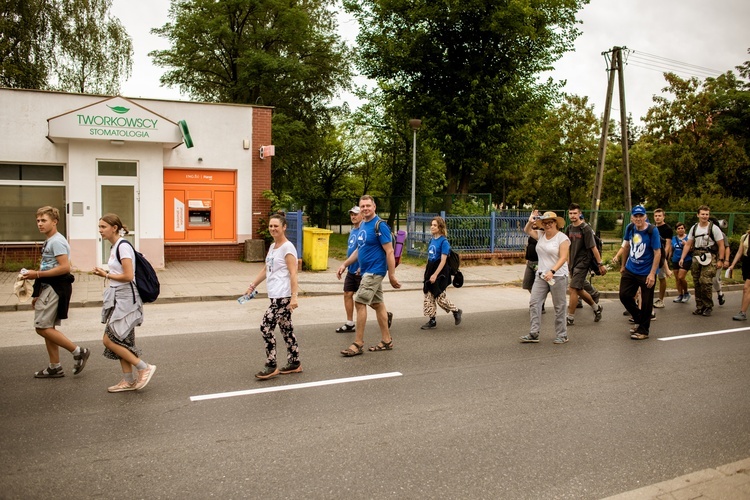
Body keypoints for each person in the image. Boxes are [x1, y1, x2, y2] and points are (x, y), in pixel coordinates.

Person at [21, 206, 90, 379]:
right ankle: (55, 366)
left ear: (55, 222)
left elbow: (65, 267)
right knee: (47, 326)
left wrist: (36, 274)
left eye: (44, 220)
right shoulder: (50, 240)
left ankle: (78, 351)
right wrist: (38, 291)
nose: (39, 224)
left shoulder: (56, 241)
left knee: (42, 327)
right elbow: (48, 265)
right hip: (48, 287)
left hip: (55, 287)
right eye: (38, 220)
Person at [92, 214, 155, 392]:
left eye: (103, 227)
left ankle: (144, 367)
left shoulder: (123, 247)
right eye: (99, 227)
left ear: (114, 228)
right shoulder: (115, 247)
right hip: (118, 297)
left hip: (126, 299)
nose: (100, 230)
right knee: (121, 340)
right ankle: (128, 380)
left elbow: (128, 276)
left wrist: (105, 275)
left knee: (109, 339)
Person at [336, 195, 401, 356]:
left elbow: (389, 251)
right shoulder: (363, 224)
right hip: (366, 271)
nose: (365, 208)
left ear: (374, 207)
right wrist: (345, 264)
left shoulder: (380, 226)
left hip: (375, 271)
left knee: (359, 302)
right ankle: (387, 340)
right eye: (362, 206)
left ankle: (358, 343)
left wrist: (392, 275)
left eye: (368, 206)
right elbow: (360, 249)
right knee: (378, 305)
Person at [244, 213, 301, 380]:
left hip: (283, 296)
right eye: (270, 226)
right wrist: (252, 286)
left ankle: (271, 364)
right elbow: (265, 269)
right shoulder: (272, 247)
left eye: (276, 226)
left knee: (265, 327)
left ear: (284, 227)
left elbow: (293, 273)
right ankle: (295, 362)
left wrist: (294, 297)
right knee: (286, 328)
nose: (273, 229)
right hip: (274, 295)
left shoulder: (287, 247)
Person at [335, 206, 392, 332]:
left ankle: (360, 340)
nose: (353, 216)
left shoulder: (370, 228)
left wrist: (391, 275)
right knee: (348, 294)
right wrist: (345, 264)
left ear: (361, 215)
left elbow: (372, 249)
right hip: (351, 269)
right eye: (351, 214)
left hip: (365, 270)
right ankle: (350, 323)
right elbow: (357, 250)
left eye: (355, 214)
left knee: (367, 301)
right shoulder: (353, 231)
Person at [520, 210, 570, 344]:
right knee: (534, 303)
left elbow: (564, 257)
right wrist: (531, 221)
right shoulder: (541, 235)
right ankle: (534, 333)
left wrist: (552, 271)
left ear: (556, 223)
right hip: (541, 275)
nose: (548, 225)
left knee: (559, 306)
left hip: (558, 276)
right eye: (545, 223)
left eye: (550, 222)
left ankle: (562, 334)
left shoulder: (562, 238)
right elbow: (527, 230)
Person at [619, 205, 661, 340]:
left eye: (640, 216)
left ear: (645, 217)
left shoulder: (652, 230)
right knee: (624, 295)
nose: (638, 219)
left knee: (647, 301)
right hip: (631, 269)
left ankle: (643, 330)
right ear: (632, 217)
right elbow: (626, 247)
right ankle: (638, 318)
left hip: (646, 272)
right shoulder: (630, 228)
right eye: (635, 216)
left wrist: (652, 273)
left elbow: (657, 253)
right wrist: (623, 265)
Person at [680, 206, 726, 317]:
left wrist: (721, 260)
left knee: (705, 281)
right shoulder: (694, 228)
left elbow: (721, 245)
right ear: (698, 215)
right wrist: (682, 257)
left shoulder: (714, 228)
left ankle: (708, 306)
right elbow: (689, 243)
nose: (705, 216)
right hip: (696, 256)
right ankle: (700, 306)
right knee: (697, 282)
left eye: (707, 214)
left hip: (710, 256)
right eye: (703, 214)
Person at [565, 204, 605, 325]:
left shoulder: (585, 229)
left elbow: (593, 248)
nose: (572, 216)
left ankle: (570, 317)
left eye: (575, 213)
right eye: (570, 213)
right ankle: (596, 308)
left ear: (579, 214)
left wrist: (600, 264)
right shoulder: (569, 228)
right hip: (572, 263)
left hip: (583, 263)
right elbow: (566, 247)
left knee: (572, 289)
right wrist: (567, 262)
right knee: (579, 290)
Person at [421, 216, 462, 329]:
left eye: (435, 225)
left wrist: (435, 275)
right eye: (432, 225)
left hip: (441, 272)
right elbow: (430, 256)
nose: (432, 227)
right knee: (428, 295)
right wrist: (428, 272)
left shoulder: (444, 242)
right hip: (430, 269)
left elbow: (443, 260)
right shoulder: (432, 240)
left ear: (440, 227)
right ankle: (432, 320)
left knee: (439, 297)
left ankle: (456, 311)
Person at [727, 227, 750, 321]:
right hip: (747, 262)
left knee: (746, 288)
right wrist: (732, 265)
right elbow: (740, 251)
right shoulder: (745, 237)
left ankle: (743, 312)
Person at [653, 208, 673, 309]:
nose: (657, 217)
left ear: (663, 217)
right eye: (656, 216)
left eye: (659, 216)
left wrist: (664, 257)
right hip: (651, 257)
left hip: (662, 257)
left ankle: (661, 299)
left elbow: (668, 245)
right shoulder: (652, 228)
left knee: (661, 277)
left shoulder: (667, 229)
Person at [522, 235, 545, 314]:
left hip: (538, 263)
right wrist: (527, 258)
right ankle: (538, 301)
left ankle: (539, 304)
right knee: (527, 284)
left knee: (538, 285)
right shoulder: (532, 233)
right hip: (530, 262)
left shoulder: (543, 233)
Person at [710, 218, 730, 306]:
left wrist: (725, 260)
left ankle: (720, 294)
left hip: (718, 259)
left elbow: (726, 247)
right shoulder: (701, 233)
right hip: (705, 259)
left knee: (715, 279)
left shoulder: (721, 234)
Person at [671, 222, 692, 303]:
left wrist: (686, 244)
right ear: (676, 230)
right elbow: (671, 249)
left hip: (686, 259)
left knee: (681, 277)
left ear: (685, 229)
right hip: (675, 259)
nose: (680, 230)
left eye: (682, 228)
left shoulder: (689, 238)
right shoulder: (673, 239)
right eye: (678, 228)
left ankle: (686, 293)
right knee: (677, 279)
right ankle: (680, 294)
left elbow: (692, 249)